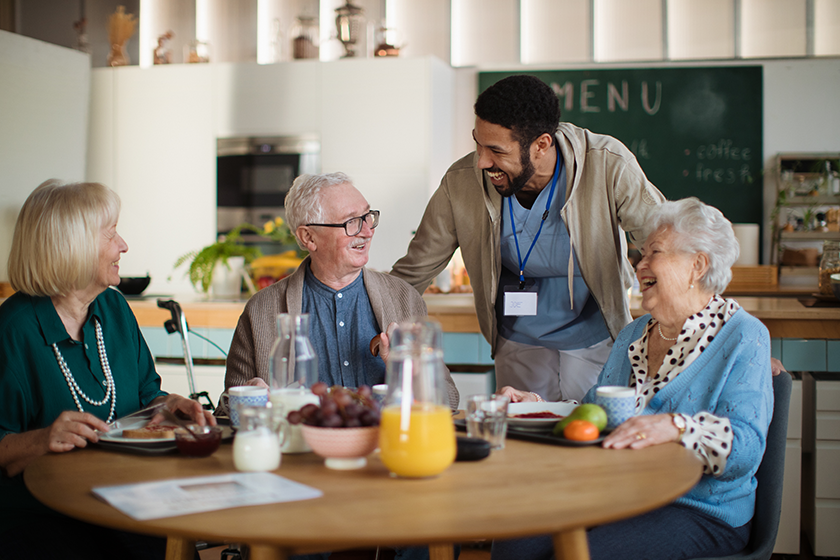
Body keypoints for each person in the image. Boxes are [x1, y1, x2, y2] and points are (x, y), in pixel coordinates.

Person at [494, 198, 774, 560]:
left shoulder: (744, 337)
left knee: (585, 555)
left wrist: (676, 426)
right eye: (640, 254)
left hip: (699, 510)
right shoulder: (634, 334)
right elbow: (596, 414)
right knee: (516, 537)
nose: (639, 265)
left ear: (697, 265)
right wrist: (538, 406)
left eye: (653, 252)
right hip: (621, 493)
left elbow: (747, 449)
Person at [390, 74, 665, 402]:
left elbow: (666, 241)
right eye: (477, 144)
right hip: (518, 340)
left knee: (590, 435)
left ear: (541, 145)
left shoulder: (607, 164)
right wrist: (377, 322)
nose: (482, 161)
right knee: (524, 437)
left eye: (496, 150)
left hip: (595, 339)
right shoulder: (462, 183)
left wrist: (666, 323)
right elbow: (413, 271)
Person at [0, 180, 214, 560]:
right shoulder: (13, 329)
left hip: (125, 495)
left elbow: (147, 396)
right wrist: (44, 438)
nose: (124, 245)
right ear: (73, 245)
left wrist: (167, 407)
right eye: (111, 233)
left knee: (175, 547)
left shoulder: (114, 309)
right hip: (43, 512)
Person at [222, 172, 459, 410]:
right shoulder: (261, 310)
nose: (367, 231)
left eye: (367, 216)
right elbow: (225, 410)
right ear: (309, 237)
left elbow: (448, 401)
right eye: (351, 222)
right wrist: (248, 398)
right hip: (300, 446)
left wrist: (405, 370)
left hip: (385, 446)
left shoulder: (404, 298)